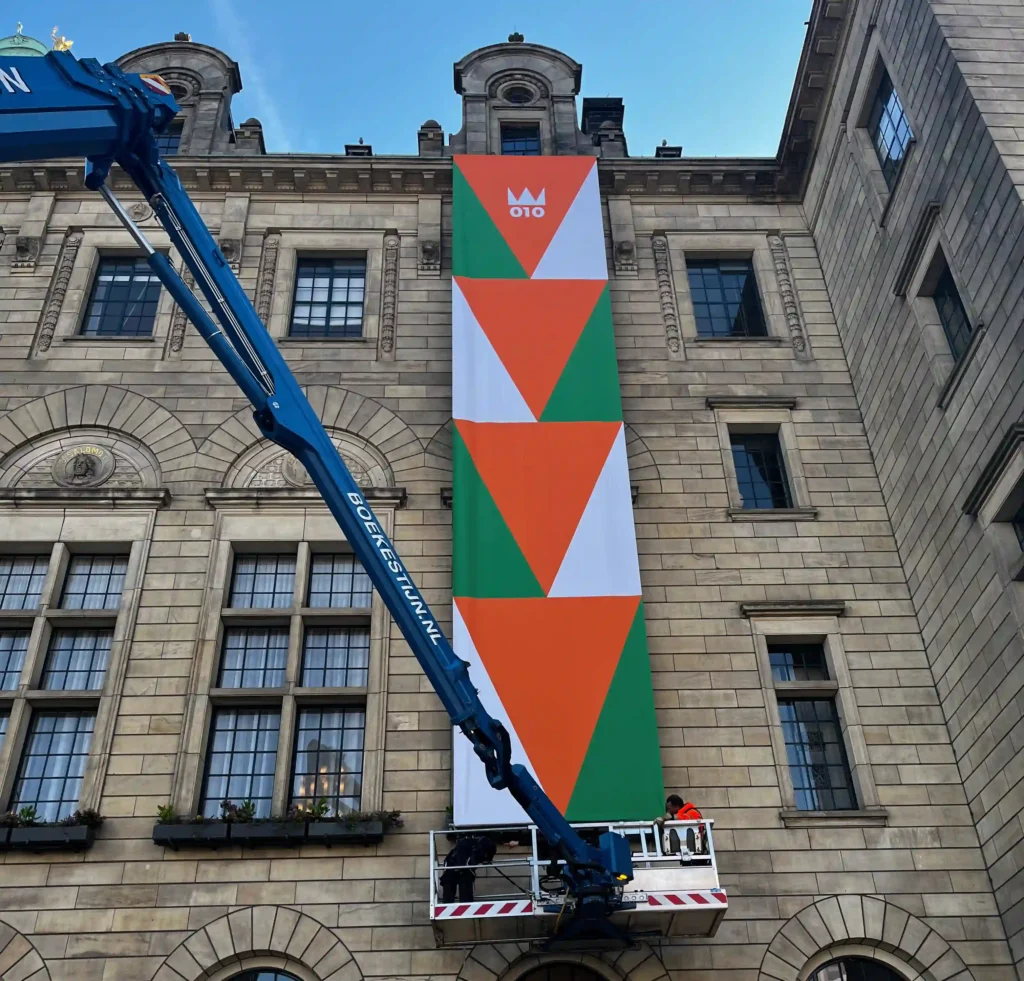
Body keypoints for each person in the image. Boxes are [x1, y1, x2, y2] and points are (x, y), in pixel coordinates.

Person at [439, 835, 497, 903]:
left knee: (448, 898)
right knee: (465, 898)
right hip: (463, 870)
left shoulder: (466, 843)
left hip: (451, 867)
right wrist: (487, 859)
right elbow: (484, 858)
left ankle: (448, 907)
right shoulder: (480, 846)